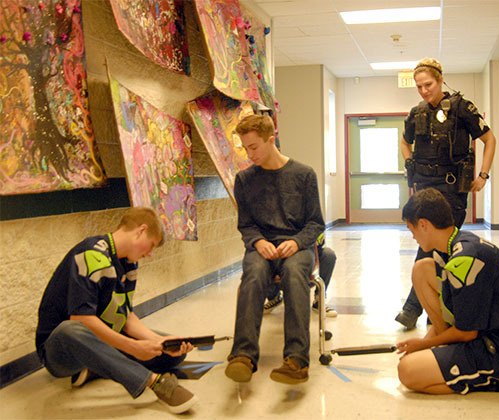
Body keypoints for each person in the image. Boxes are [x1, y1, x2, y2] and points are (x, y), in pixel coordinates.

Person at [35, 207, 198, 414]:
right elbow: (82, 320)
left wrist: (157, 341)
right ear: (140, 230)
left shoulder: (129, 263)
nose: (150, 254)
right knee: (71, 329)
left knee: (171, 354)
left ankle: (95, 366)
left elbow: (126, 315)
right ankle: (154, 382)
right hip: (62, 348)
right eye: (151, 245)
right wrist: (133, 347)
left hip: (99, 337)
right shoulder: (91, 254)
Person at [396, 189, 499, 394]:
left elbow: (467, 332)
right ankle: (448, 358)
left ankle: (489, 378)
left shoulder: (464, 260)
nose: (413, 237)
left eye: (411, 229)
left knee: (408, 371)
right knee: (422, 269)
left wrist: (425, 345)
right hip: (488, 334)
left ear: (423, 224)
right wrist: (424, 344)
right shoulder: (460, 241)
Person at [396, 57, 497, 329]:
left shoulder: (461, 108)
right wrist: (409, 163)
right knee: (435, 247)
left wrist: (483, 175)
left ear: (440, 80)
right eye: (418, 86)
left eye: (428, 84)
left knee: (432, 243)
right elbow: (405, 142)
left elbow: (489, 139)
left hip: (452, 189)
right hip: (425, 189)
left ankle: (413, 307)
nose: (424, 91)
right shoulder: (417, 113)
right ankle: (437, 305)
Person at [225, 114, 325, 385]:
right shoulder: (244, 179)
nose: (249, 154)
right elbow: (246, 225)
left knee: (294, 274)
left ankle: (296, 360)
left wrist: (297, 242)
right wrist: (258, 242)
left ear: (272, 140)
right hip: (262, 247)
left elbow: (316, 222)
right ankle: (243, 355)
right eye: (245, 148)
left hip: (297, 245)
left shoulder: (303, 175)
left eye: (254, 147)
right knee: (254, 274)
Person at [263, 233, 337, 317]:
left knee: (328, 255)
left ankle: (319, 299)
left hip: (305, 257)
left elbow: (319, 241)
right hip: (279, 263)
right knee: (261, 260)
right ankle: (274, 297)